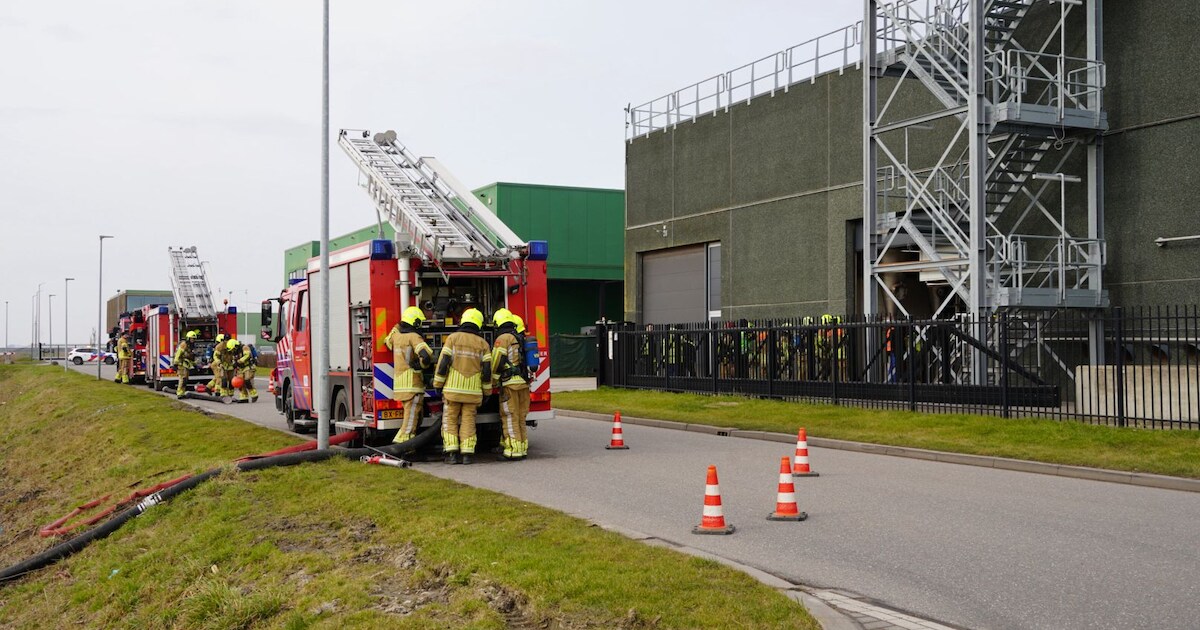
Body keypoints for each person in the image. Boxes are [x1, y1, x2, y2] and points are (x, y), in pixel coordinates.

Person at [432, 307, 493, 465]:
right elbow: (487, 372)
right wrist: (487, 392)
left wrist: (438, 384)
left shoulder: (453, 338)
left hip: (452, 391)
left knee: (449, 420)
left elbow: (443, 363)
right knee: (468, 422)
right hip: (473, 393)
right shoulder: (483, 344)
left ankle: (451, 454)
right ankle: (467, 454)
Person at [384, 306, 434, 445]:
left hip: (400, 385)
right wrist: (422, 365)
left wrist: (397, 325)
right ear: (415, 322)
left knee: (416, 417)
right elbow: (426, 355)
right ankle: (400, 445)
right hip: (413, 385)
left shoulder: (396, 336)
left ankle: (410, 447)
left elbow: (387, 341)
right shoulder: (414, 337)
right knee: (410, 420)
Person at [490, 308, 529, 461]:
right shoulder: (519, 338)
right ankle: (522, 448)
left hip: (509, 384)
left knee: (509, 416)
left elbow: (497, 361)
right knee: (520, 417)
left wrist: (493, 380)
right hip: (523, 383)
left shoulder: (503, 338)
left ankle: (513, 450)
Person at [172, 330, 198, 398]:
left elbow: (190, 357)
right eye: (192, 338)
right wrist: (175, 364)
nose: (193, 340)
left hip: (186, 365)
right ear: (188, 338)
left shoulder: (191, 346)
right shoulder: (184, 345)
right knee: (182, 379)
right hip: (181, 364)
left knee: (185, 380)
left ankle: (182, 393)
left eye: (194, 339)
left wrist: (194, 365)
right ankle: (179, 393)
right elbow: (178, 354)